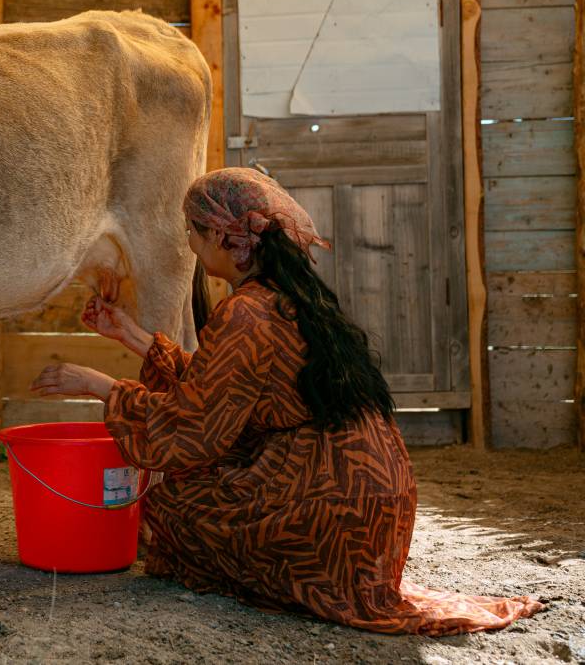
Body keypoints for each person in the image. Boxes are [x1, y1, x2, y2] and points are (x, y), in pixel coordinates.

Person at [30, 167, 542, 635]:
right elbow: (225, 390)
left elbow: (192, 426)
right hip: (370, 499)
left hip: (329, 507)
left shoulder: (245, 315)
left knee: (167, 511)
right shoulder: (286, 296)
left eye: (193, 230)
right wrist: (133, 337)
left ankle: (304, 571)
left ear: (226, 239)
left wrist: (100, 385)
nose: (187, 241)